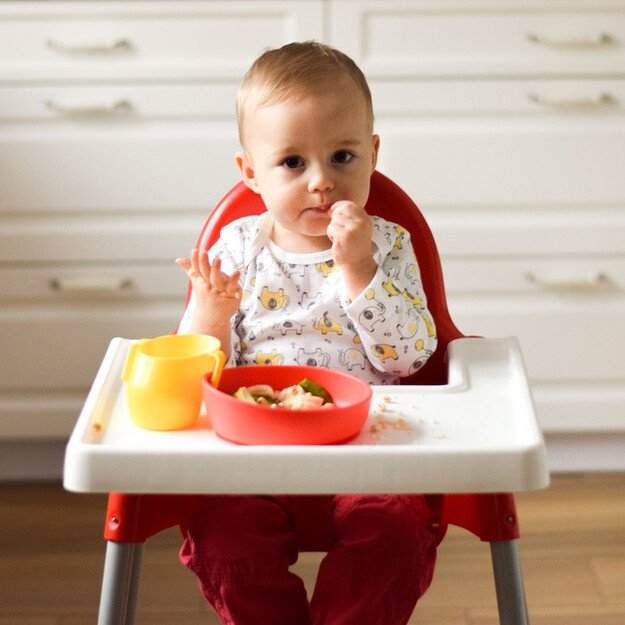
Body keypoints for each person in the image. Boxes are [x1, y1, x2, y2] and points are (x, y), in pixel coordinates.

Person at [175, 41, 439, 625]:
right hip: (254, 448)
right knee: (225, 541)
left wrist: (359, 268)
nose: (322, 182)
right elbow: (195, 372)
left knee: (394, 535)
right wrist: (212, 314)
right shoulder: (236, 250)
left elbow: (410, 358)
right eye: (293, 163)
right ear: (251, 173)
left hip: (369, 443)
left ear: (373, 154)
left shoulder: (387, 245)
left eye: (342, 156)